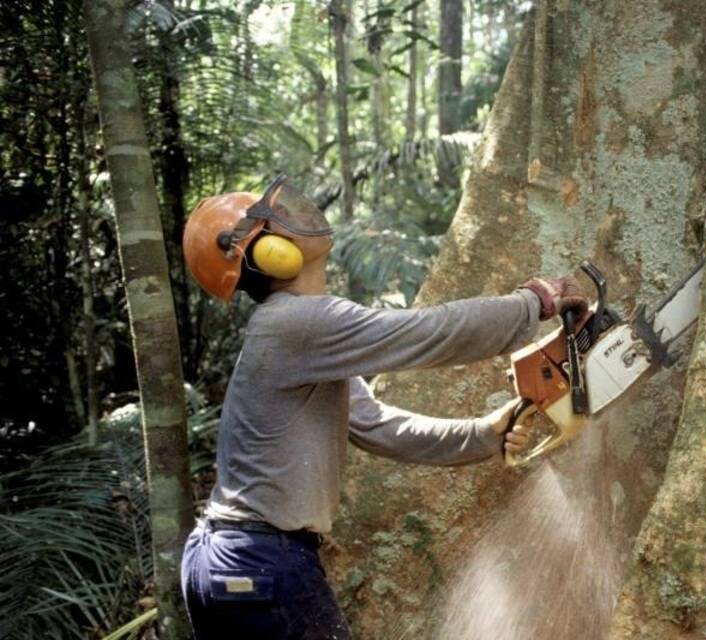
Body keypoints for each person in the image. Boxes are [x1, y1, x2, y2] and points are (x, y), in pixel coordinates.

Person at [178, 175, 587, 639]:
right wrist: (533, 302)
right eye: (276, 222)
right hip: (260, 560)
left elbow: (378, 426)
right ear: (267, 254)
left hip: (228, 560)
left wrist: (482, 435)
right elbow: (425, 333)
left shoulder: (304, 339)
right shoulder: (295, 322)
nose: (296, 215)